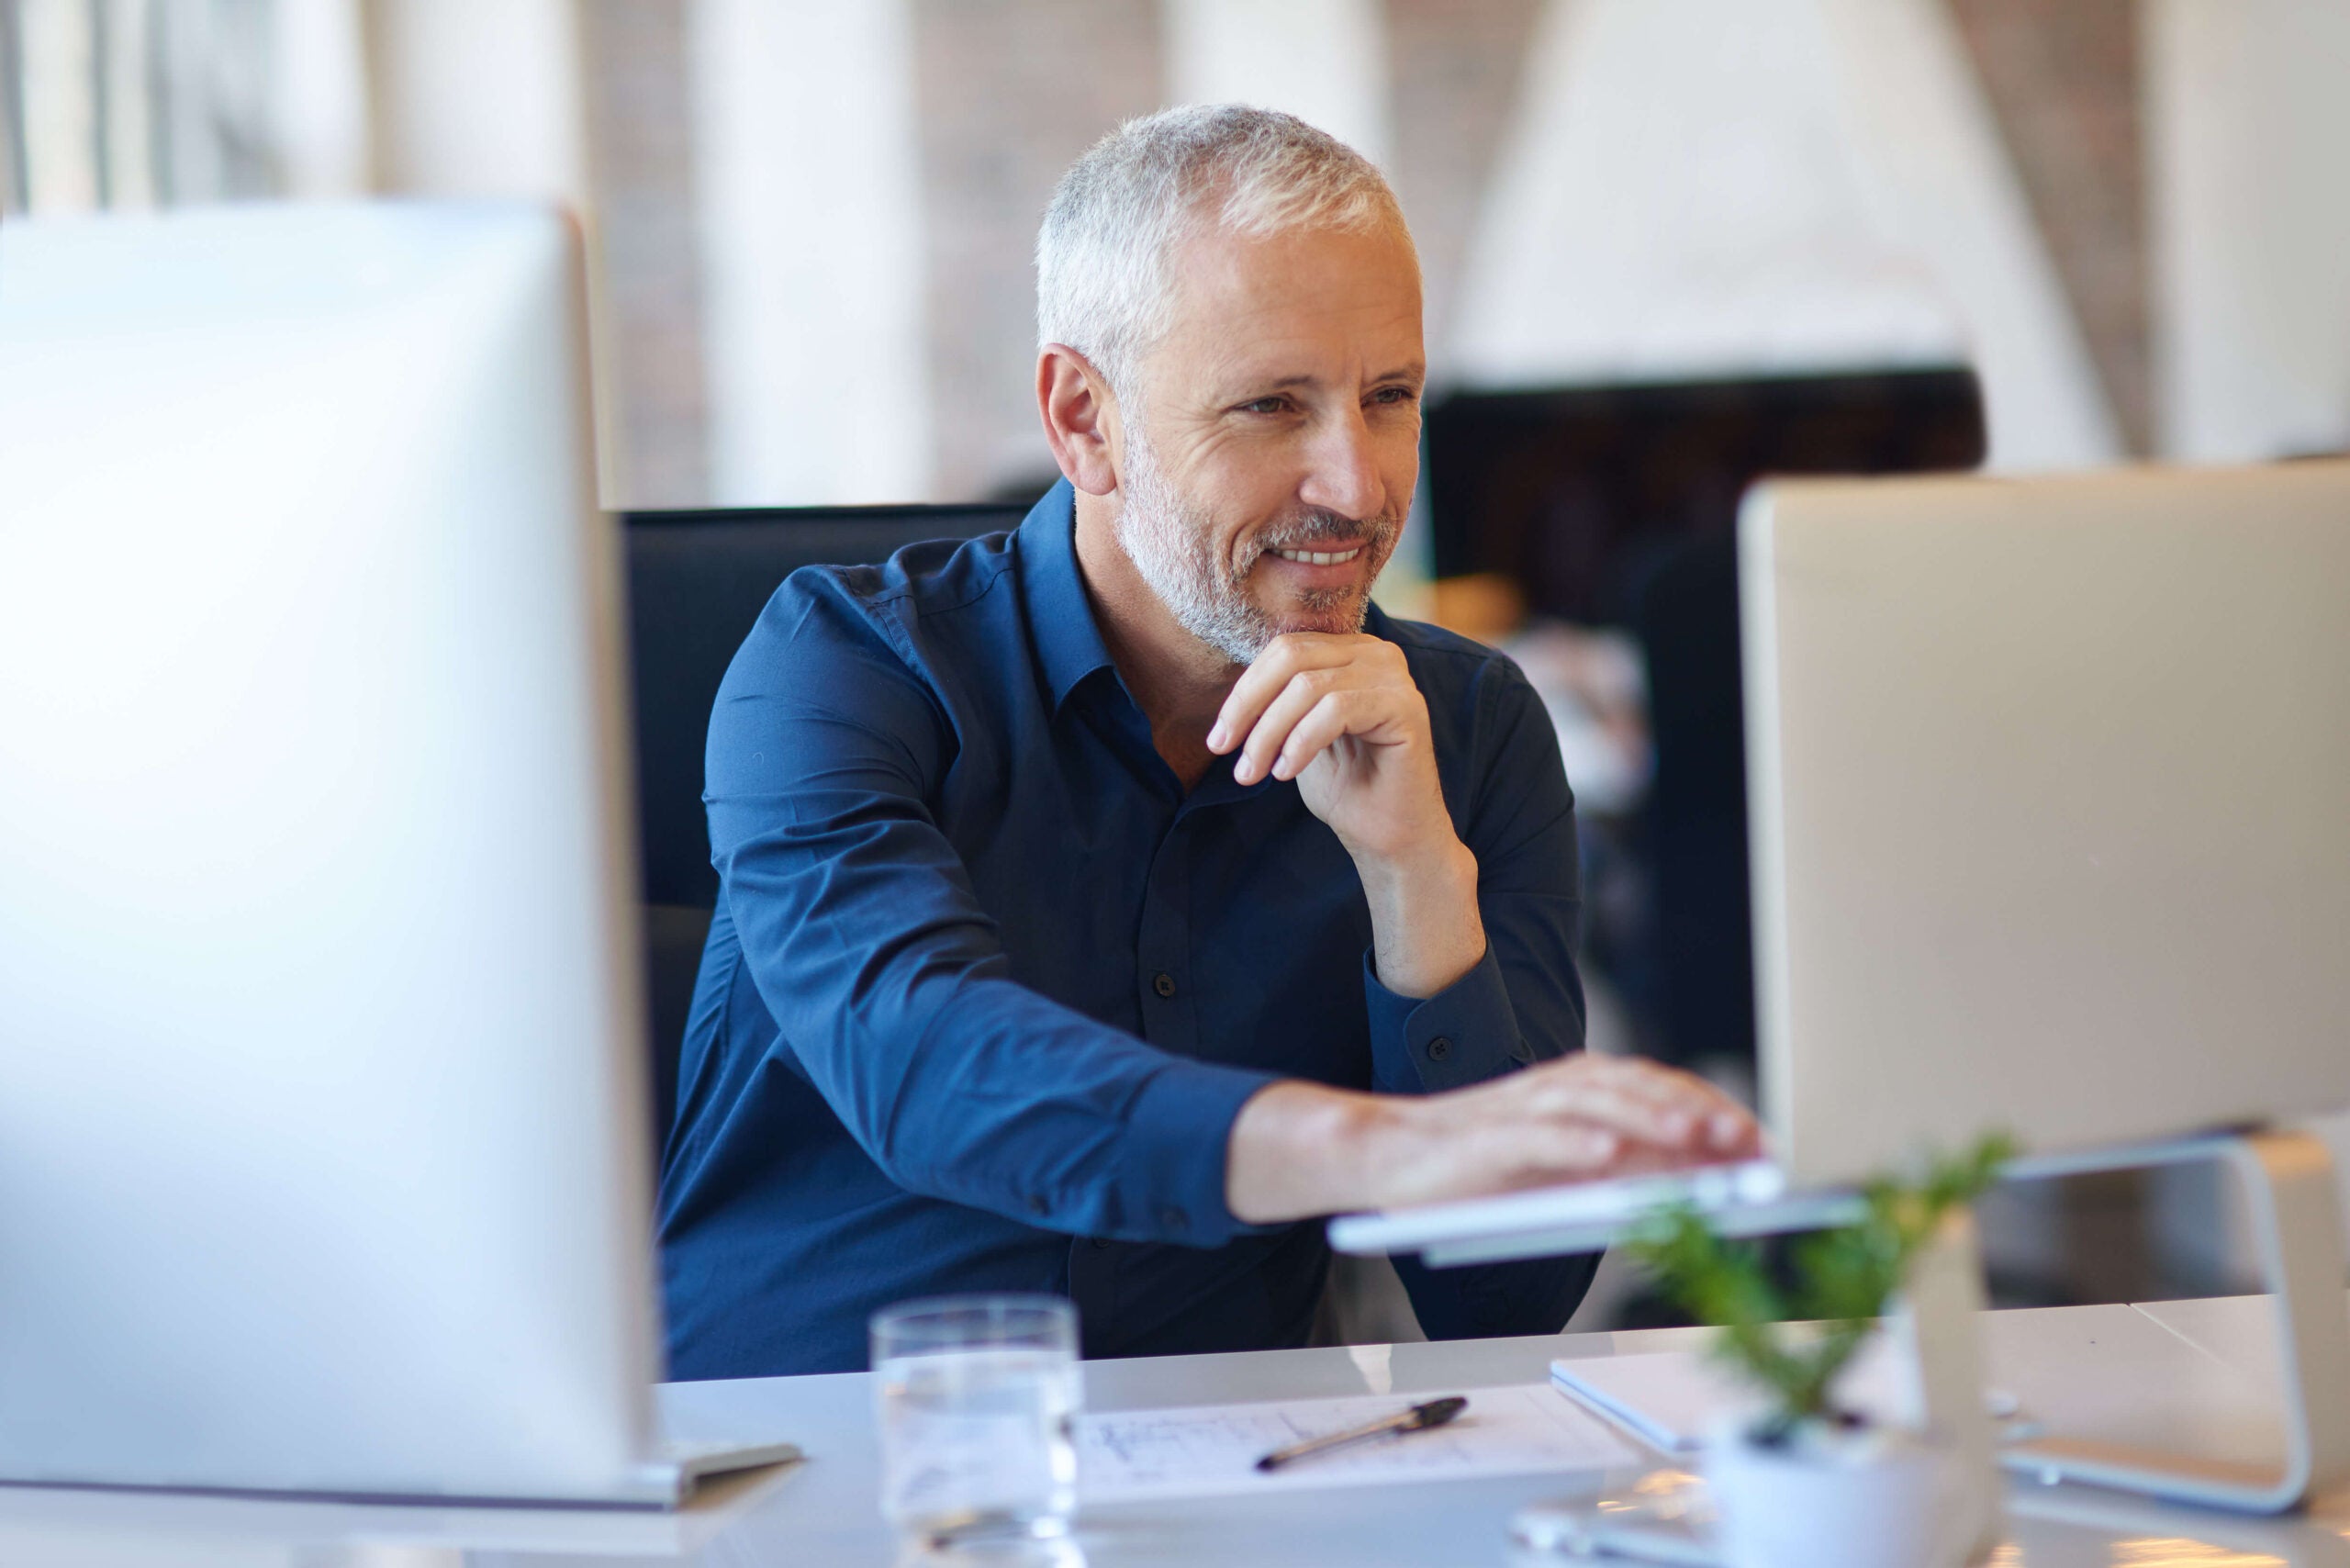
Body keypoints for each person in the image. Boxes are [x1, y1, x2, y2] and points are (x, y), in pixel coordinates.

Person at [657, 106, 1757, 1379]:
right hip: (814, 1454)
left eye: (1388, 397)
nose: (1356, 485)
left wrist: (1414, 876)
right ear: (1084, 419)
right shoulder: (842, 670)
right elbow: (929, 1065)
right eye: (1272, 407)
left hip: (1243, 1470)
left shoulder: (1464, 726)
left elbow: (1503, 1301)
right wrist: (1381, 1151)